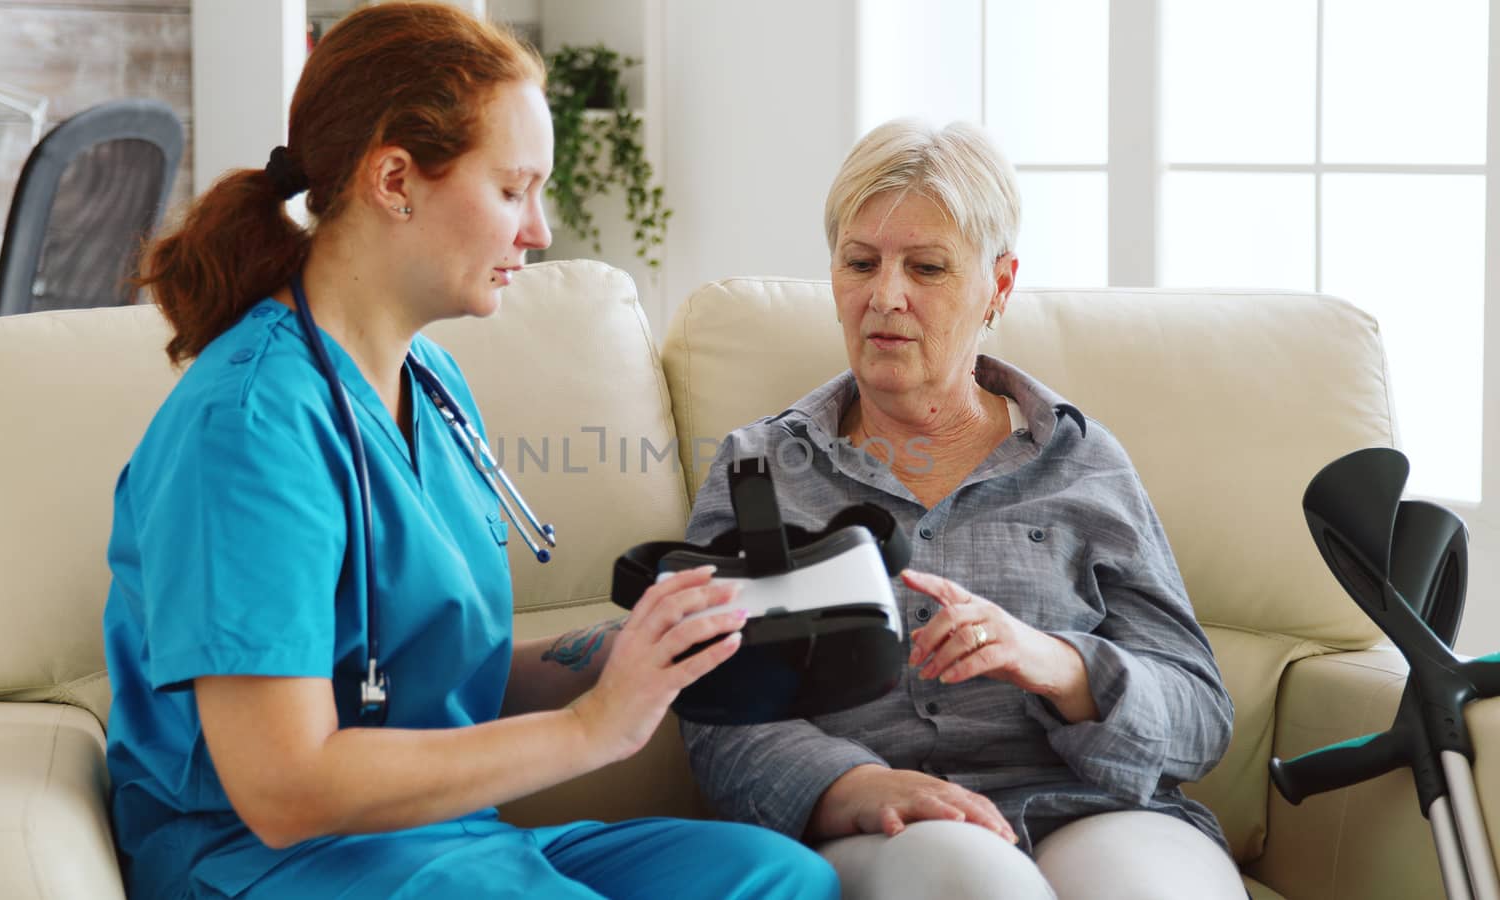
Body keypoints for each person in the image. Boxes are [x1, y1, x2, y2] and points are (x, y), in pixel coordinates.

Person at [101, 4, 840, 899]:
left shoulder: (434, 381)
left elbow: (430, 672)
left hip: (444, 839)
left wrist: (641, 646)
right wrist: (593, 729)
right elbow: (282, 789)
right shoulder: (250, 426)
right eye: (513, 188)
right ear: (395, 179)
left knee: (775, 878)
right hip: (270, 861)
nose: (540, 229)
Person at [679, 118, 1245, 900]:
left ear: (999, 285)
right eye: (860, 262)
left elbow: (1198, 712)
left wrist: (1053, 661)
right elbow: (714, 703)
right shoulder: (762, 470)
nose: (886, 296)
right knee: (977, 884)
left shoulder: (1081, 461)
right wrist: (855, 786)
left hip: (1097, 810)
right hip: (888, 828)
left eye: (927, 267)